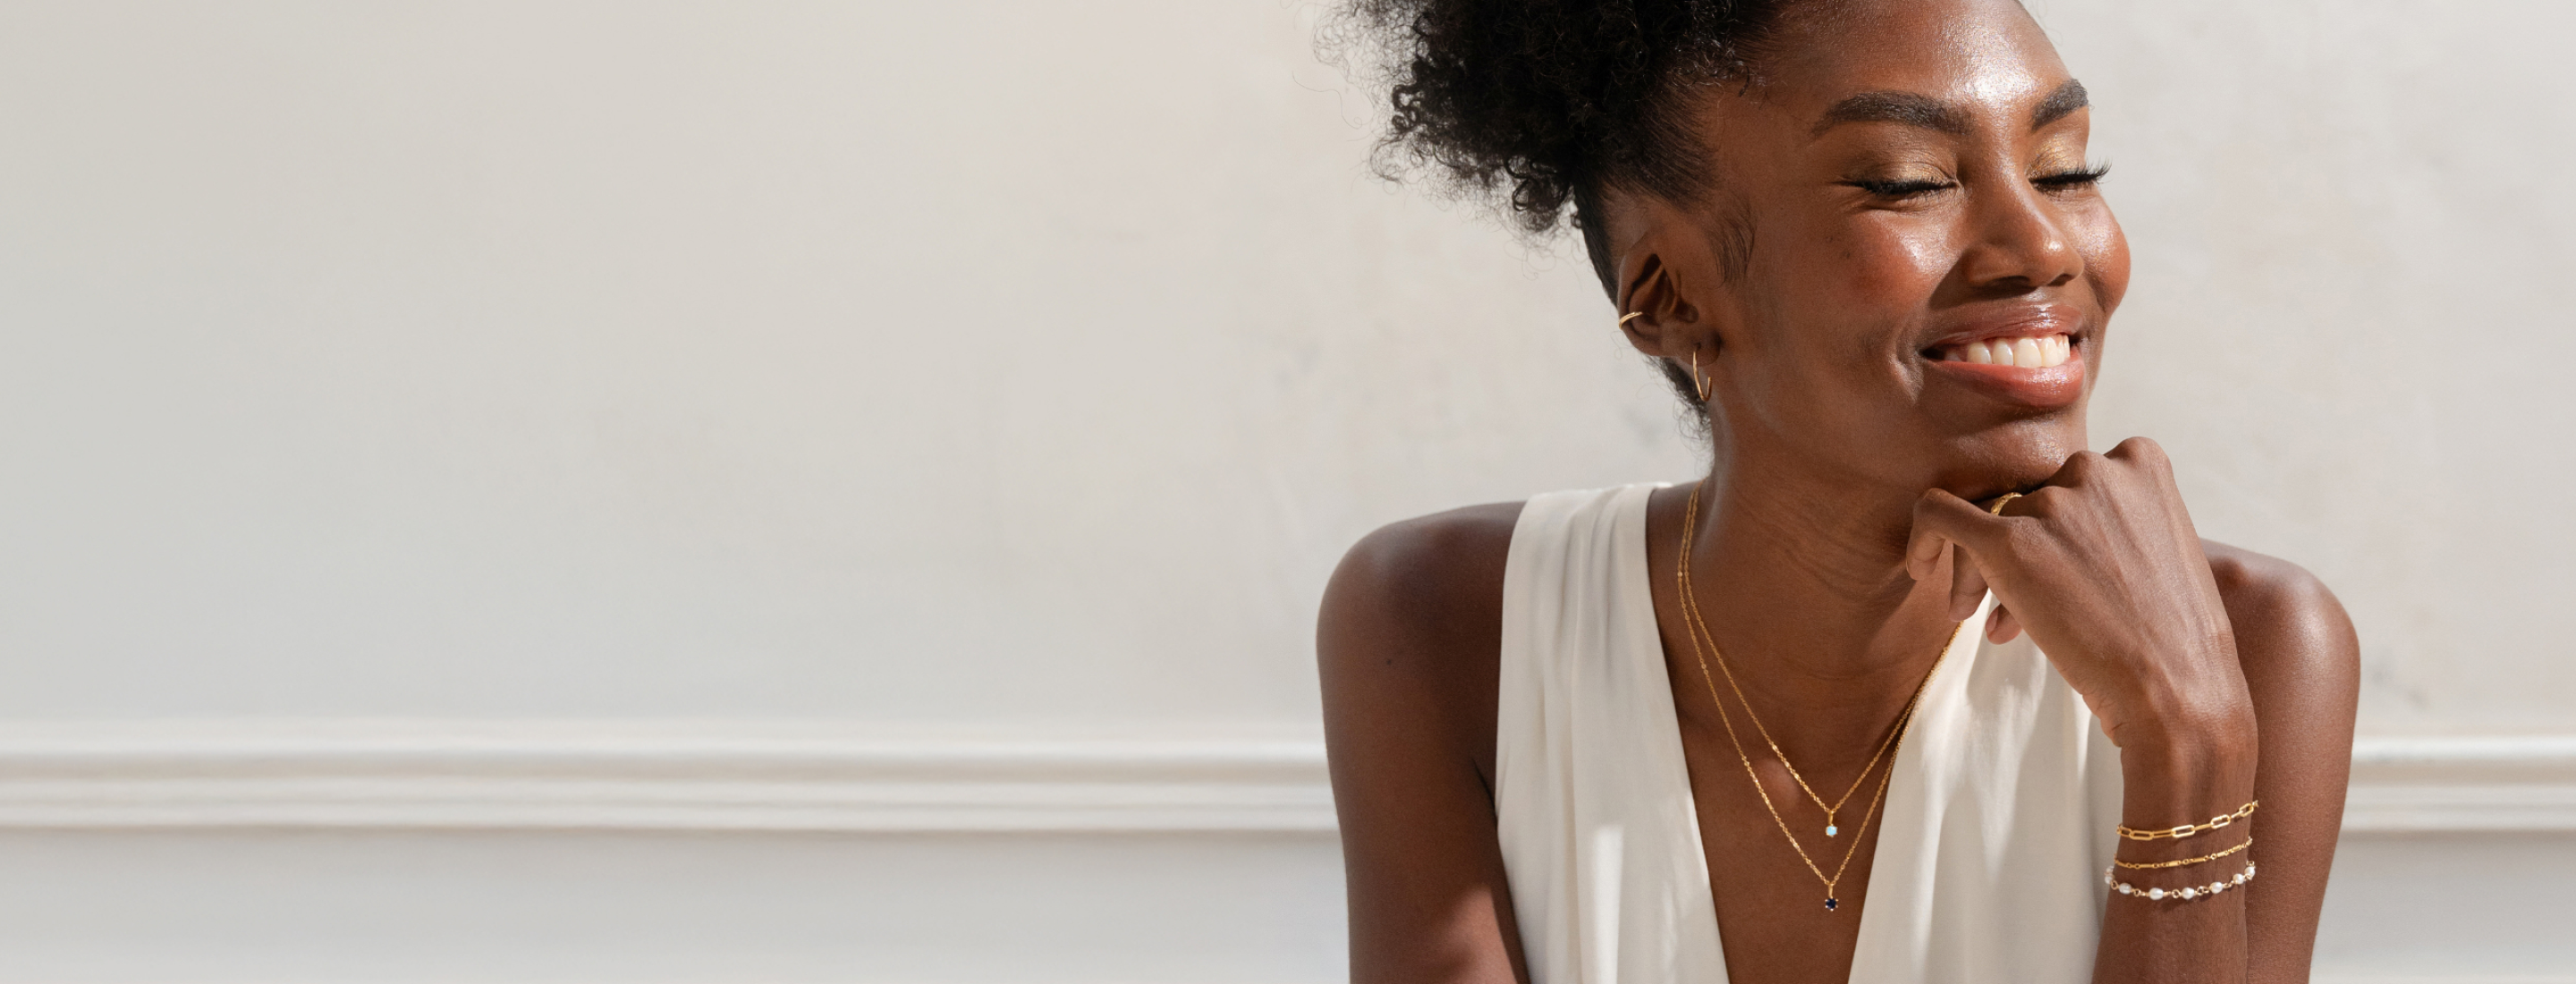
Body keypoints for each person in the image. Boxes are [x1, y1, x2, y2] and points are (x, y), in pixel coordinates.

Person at [1313, 1, 2362, 981]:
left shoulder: (2256, 646)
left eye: (2066, 168)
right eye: (1909, 180)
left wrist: (2188, 743)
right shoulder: (1448, 627)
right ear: (1672, 298)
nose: (2044, 245)